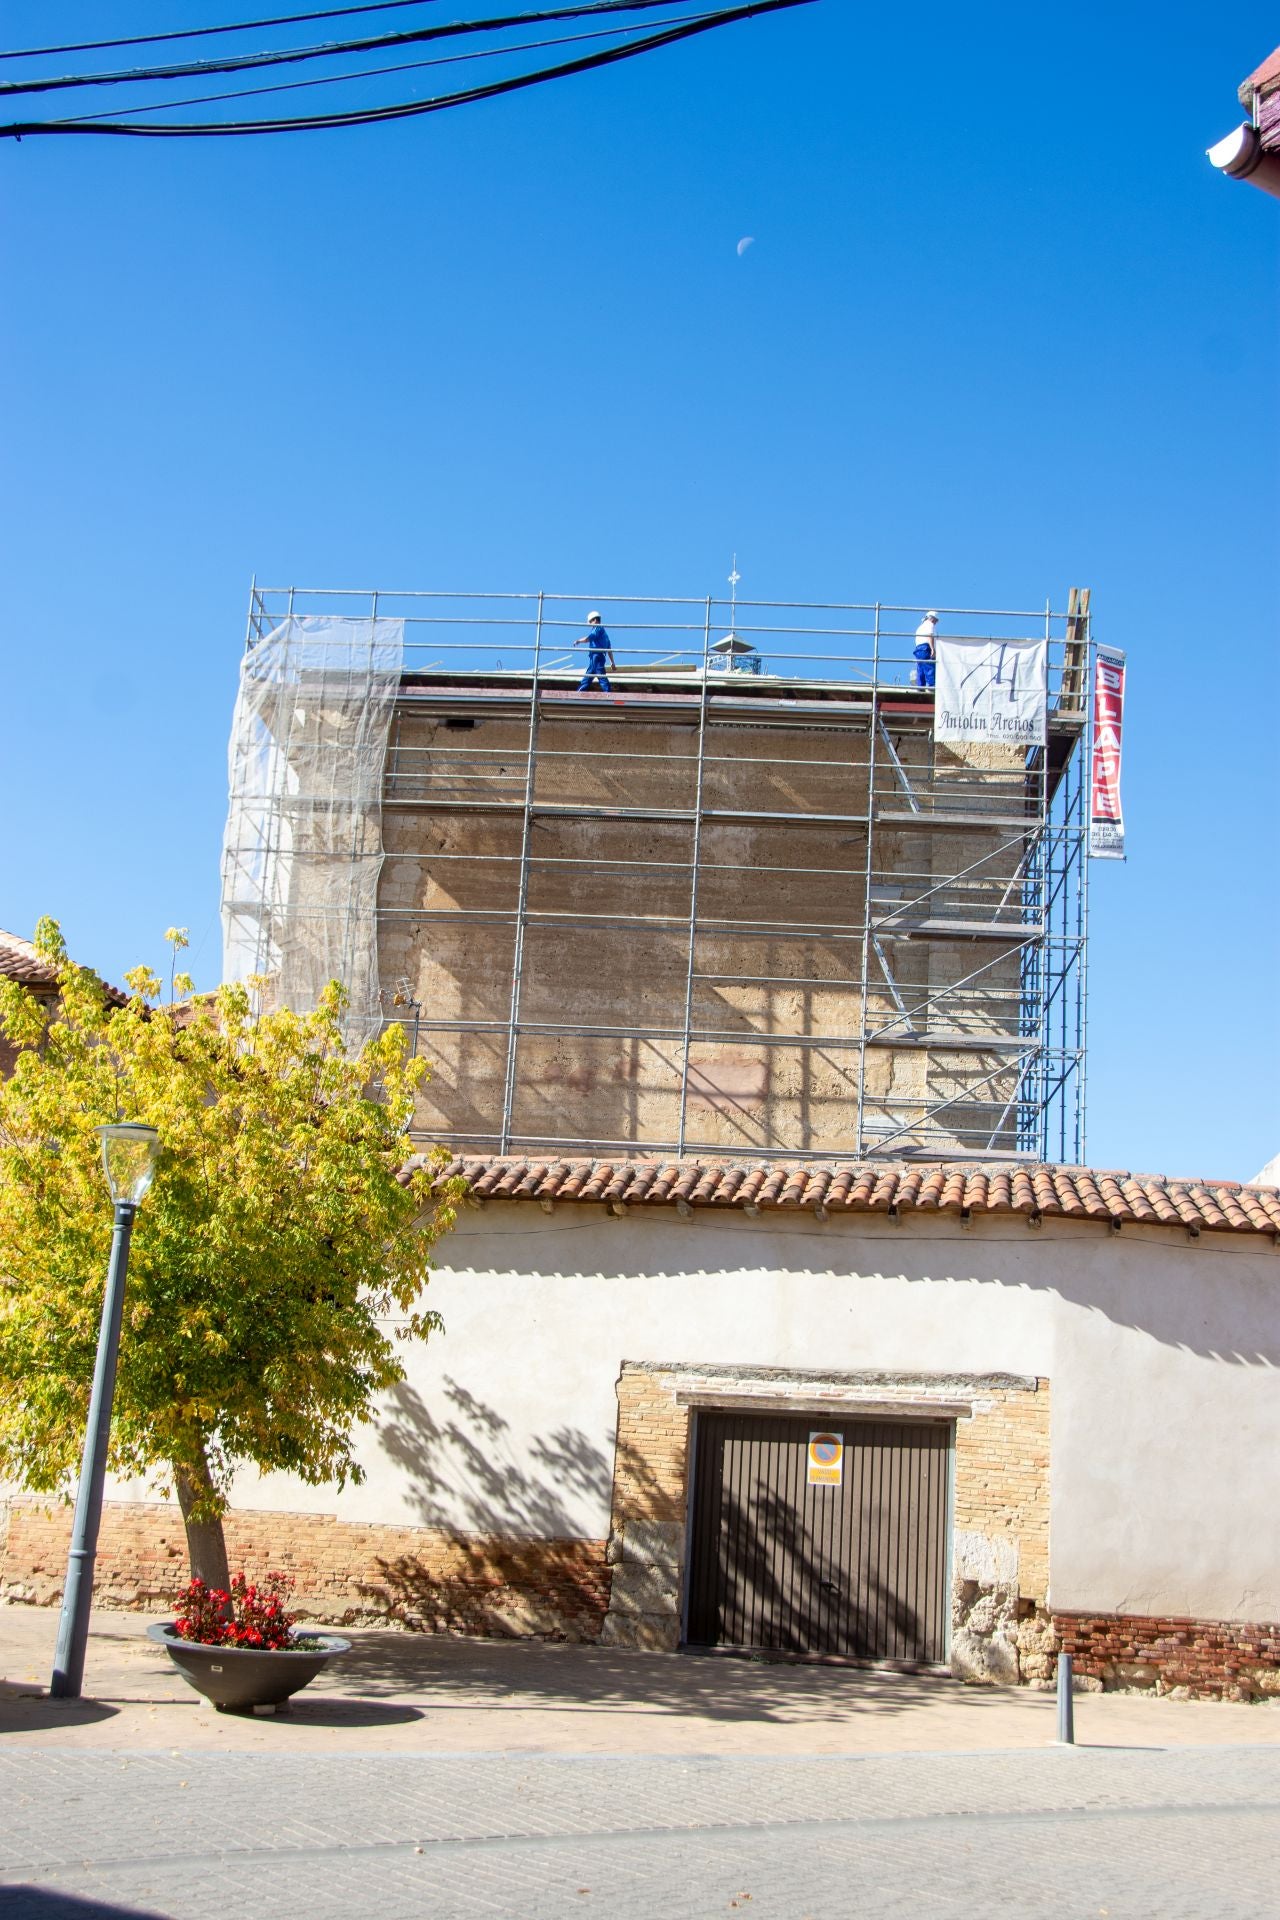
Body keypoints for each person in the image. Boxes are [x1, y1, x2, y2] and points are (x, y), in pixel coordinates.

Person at [574, 610, 615, 692]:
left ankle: (608, 693)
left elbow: (588, 638)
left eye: (590, 622)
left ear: (595, 620)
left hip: (596, 656)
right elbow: (609, 649)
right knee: (588, 676)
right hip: (598, 657)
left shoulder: (598, 629)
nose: (590, 624)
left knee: (600, 675)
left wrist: (578, 641)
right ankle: (579, 692)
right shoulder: (605, 635)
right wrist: (612, 662)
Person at [913, 610, 938, 690]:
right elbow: (929, 636)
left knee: (921, 668)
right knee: (929, 666)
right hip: (925, 647)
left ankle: (920, 687)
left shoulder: (920, 627)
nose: (935, 622)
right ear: (931, 618)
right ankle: (932, 686)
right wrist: (932, 649)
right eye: (935, 620)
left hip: (918, 649)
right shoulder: (929, 624)